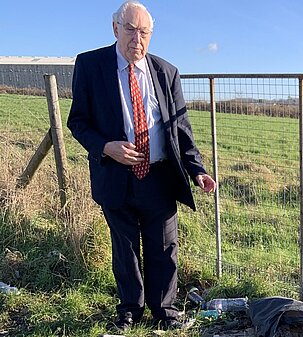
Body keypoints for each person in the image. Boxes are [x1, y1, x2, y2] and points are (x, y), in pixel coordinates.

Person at [67, 0, 216, 331]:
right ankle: (130, 309)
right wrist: (106, 147)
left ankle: (164, 310)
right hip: (114, 174)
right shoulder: (91, 66)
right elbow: (78, 122)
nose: (138, 38)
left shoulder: (166, 72)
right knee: (125, 249)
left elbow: (181, 130)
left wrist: (198, 171)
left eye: (145, 32)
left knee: (164, 246)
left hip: (159, 176)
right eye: (131, 29)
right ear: (115, 28)